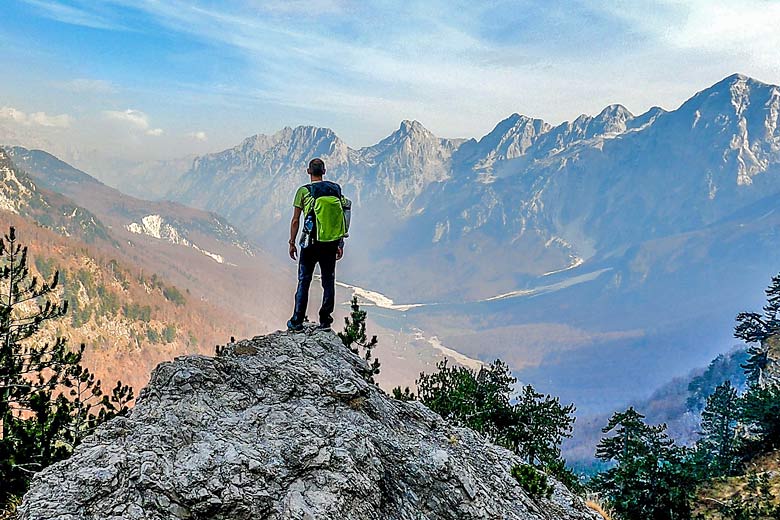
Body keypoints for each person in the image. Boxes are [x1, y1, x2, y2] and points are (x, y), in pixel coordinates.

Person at [287, 158, 348, 332]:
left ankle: (297, 321)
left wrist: (292, 242)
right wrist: (340, 242)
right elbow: (341, 217)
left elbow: (295, 220)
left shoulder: (303, 191)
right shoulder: (335, 190)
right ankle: (325, 321)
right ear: (324, 171)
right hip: (330, 243)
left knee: (304, 281)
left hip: (310, 244)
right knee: (328, 281)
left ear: (308, 171)